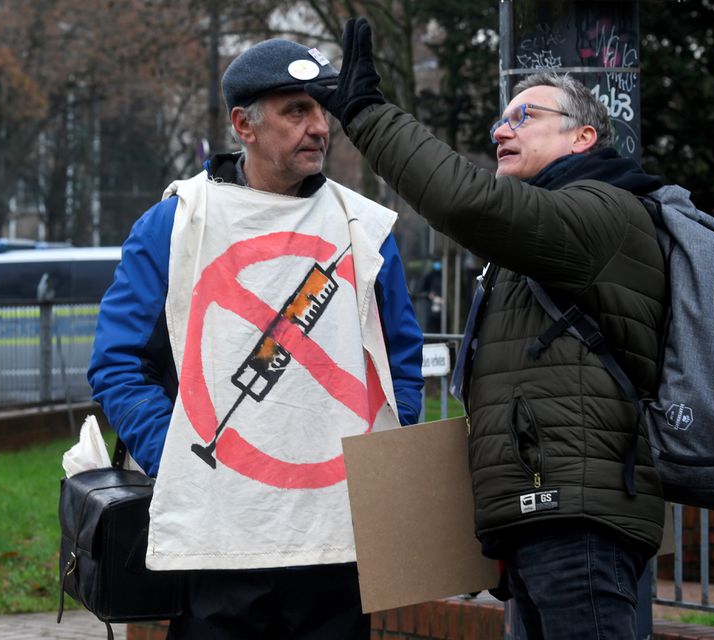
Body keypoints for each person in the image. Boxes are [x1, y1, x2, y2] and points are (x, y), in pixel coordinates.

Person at [306, 19, 666, 639]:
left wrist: (366, 113)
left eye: (525, 116)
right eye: (501, 119)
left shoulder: (601, 212)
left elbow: (466, 201)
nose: (501, 130)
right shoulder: (537, 241)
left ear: (582, 136)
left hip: (578, 522)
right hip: (541, 517)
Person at [88, 37, 424, 640]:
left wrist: (380, 465)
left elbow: (399, 360)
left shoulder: (365, 229)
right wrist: (180, 459)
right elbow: (117, 364)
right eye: (296, 111)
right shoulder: (176, 223)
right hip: (219, 543)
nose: (319, 126)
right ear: (244, 124)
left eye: (322, 109)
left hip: (336, 541)